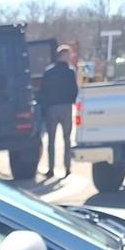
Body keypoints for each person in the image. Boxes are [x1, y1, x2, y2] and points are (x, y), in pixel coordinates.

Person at [37, 45, 79, 179]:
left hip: (52, 108)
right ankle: (67, 168)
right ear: (64, 56)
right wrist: (71, 102)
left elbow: (42, 91)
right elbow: (75, 90)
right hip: (66, 107)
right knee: (66, 139)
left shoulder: (49, 72)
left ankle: (51, 169)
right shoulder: (70, 72)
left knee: (52, 140)